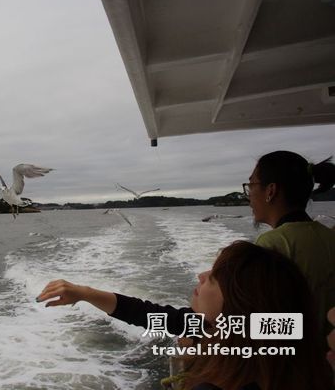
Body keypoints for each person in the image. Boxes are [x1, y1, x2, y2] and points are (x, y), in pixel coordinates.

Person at [37, 241, 333, 390]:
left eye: (215, 277)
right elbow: (148, 313)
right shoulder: (271, 330)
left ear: (240, 302)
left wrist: (190, 365)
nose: (202, 275)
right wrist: (86, 293)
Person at [244, 150, 335, 337]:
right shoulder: (329, 236)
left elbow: (267, 326)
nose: (249, 195)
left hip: (298, 360)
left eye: (251, 185)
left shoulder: (272, 243)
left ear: (270, 191)